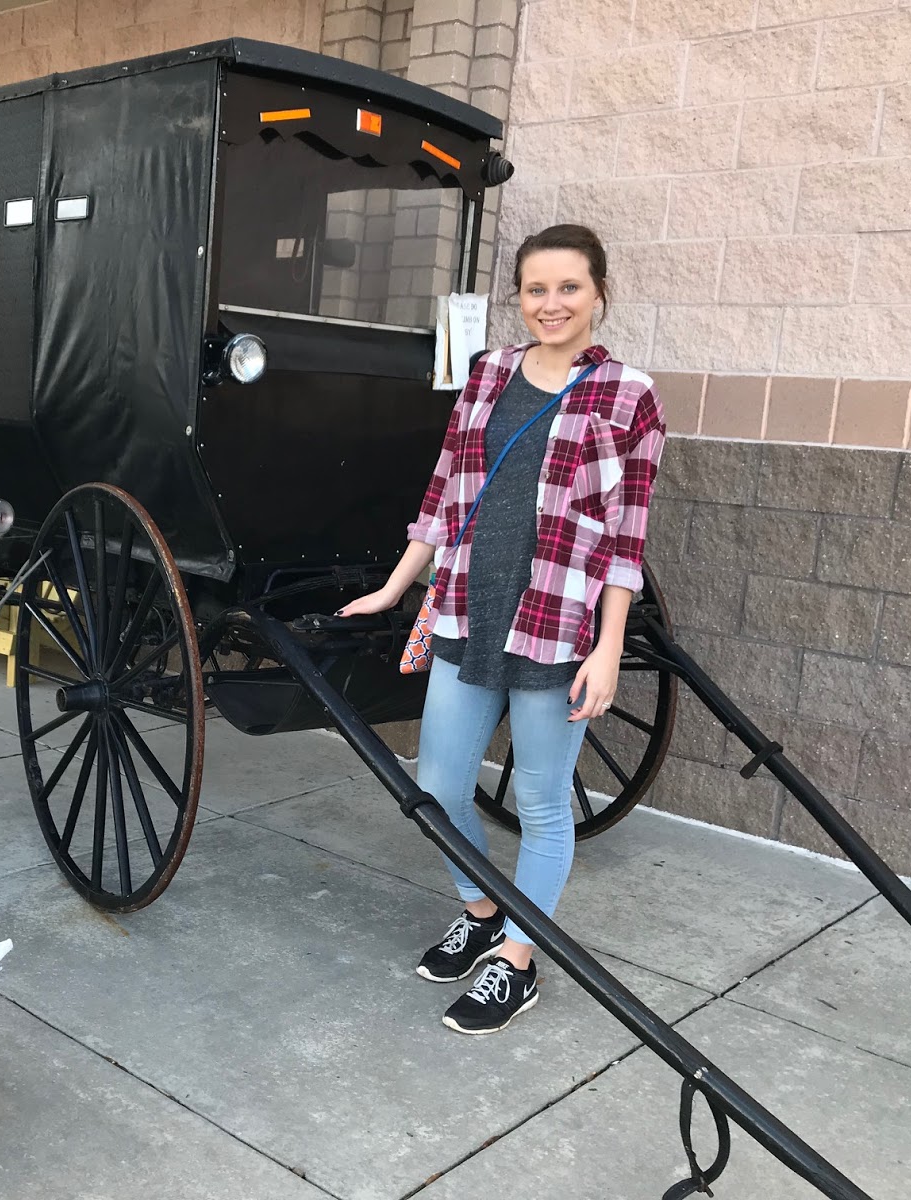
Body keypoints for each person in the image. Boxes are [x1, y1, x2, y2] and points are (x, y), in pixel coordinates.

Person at [338, 223, 666, 1034]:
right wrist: (394, 587)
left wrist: (609, 648)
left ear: (599, 294)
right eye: (535, 289)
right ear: (517, 297)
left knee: (543, 803)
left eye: (569, 287)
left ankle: (517, 961)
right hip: (468, 609)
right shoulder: (487, 374)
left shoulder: (629, 395)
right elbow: (444, 491)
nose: (551, 304)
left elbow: (626, 539)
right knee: (438, 787)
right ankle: (484, 910)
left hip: (559, 624)